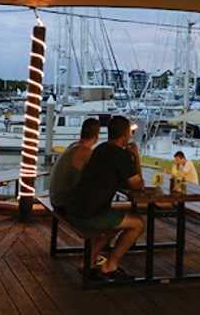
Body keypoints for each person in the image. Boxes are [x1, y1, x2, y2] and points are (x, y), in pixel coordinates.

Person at [66, 115, 145, 280]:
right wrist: (136, 156)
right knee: (138, 224)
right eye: (129, 133)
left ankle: (87, 263)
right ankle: (110, 265)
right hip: (90, 214)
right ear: (124, 135)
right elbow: (138, 185)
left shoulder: (100, 149)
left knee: (110, 228)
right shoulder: (121, 155)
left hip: (74, 207)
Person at [50, 118, 101, 211]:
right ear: (97, 136)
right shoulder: (85, 152)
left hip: (55, 199)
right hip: (62, 203)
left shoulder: (74, 145)